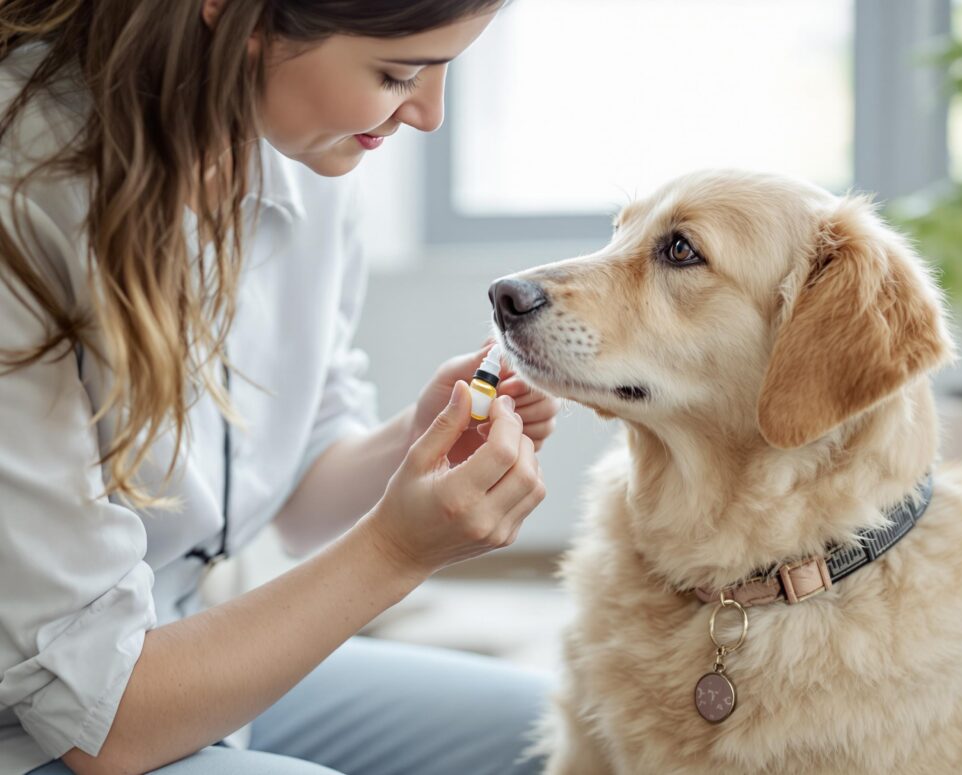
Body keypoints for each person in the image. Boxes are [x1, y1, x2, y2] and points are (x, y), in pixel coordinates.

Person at [0, 2, 559, 773]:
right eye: (398, 74)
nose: (429, 115)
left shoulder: (306, 153)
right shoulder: (23, 199)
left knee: (562, 733)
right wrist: (397, 551)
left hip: (177, 649)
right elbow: (102, 721)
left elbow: (298, 495)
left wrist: (417, 440)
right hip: (56, 724)